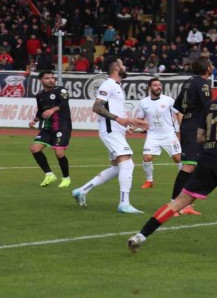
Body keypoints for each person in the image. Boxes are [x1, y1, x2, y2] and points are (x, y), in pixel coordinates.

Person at [128, 69, 217, 263]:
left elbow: (200, 136)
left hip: (206, 160)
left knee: (177, 204)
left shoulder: (210, 105)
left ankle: (140, 236)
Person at [71, 57, 147, 213]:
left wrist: (130, 123)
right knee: (128, 164)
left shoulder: (116, 86)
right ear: (117, 68)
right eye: (122, 64)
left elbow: (115, 111)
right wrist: (118, 119)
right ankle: (124, 204)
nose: (125, 66)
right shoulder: (108, 84)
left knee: (117, 168)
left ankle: (81, 191)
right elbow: (96, 107)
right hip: (110, 131)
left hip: (115, 130)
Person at [170, 56, 213, 215]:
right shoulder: (203, 84)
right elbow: (208, 107)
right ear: (207, 68)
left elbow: (178, 105)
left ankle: (184, 204)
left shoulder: (188, 82)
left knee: (195, 166)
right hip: (195, 127)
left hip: (189, 124)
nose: (212, 67)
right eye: (211, 65)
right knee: (189, 166)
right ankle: (174, 204)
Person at [28, 70, 72, 188]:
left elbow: (64, 103)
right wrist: (35, 120)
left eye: (52, 78)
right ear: (41, 80)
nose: (51, 80)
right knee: (34, 148)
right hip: (48, 127)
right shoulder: (40, 95)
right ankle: (49, 174)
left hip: (62, 126)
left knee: (59, 153)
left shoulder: (60, 90)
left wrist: (52, 110)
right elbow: (41, 110)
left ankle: (66, 178)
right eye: (47, 78)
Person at [136, 77, 183, 189]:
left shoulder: (168, 100)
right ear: (150, 87)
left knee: (178, 158)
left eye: (160, 85)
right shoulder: (143, 102)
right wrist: (133, 127)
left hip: (169, 134)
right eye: (155, 85)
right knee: (147, 158)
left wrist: (182, 128)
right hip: (153, 135)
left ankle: (186, 181)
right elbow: (139, 119)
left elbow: (179, 113)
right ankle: (149, 181)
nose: (158, 87)